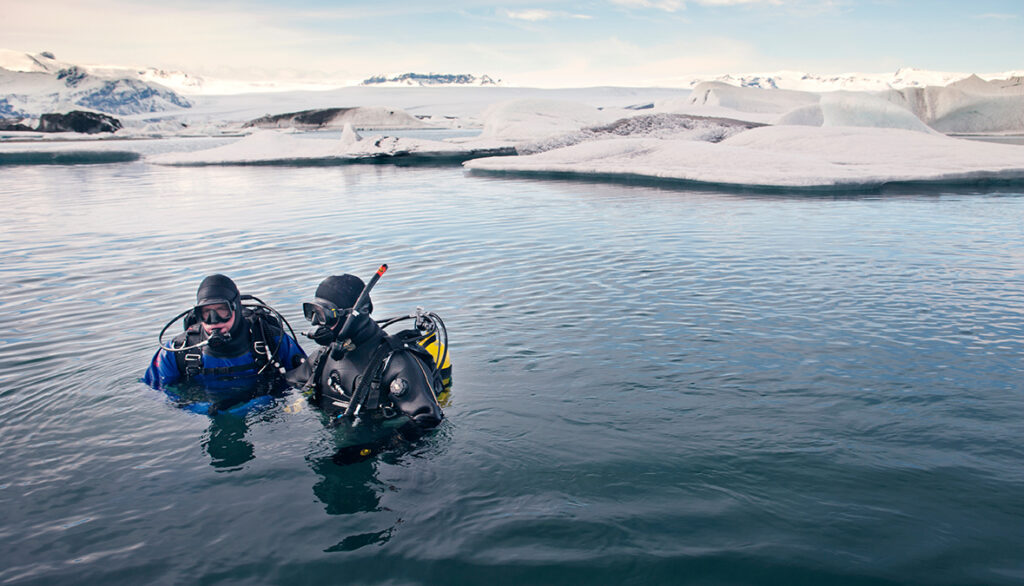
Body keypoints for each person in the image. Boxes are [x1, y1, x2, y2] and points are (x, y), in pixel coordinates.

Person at [289, 273, 445, 443]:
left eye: (324, 314)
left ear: (357, 313)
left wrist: (373, 449)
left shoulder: (397, 363)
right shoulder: (323, 357)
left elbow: (429, 420)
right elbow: (289, 384)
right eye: (313, 312)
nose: (315, 323)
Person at [144, 274, 306, 415]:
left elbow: (306, 378)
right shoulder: (177, 350)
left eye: (222, 310)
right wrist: (196, 409)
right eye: (206, 312)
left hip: (264, 416)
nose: (214, 320)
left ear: (236, 308)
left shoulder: (270, 338)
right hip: (205, 417)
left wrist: (263, 402)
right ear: (197, 314)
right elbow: (155, 391)